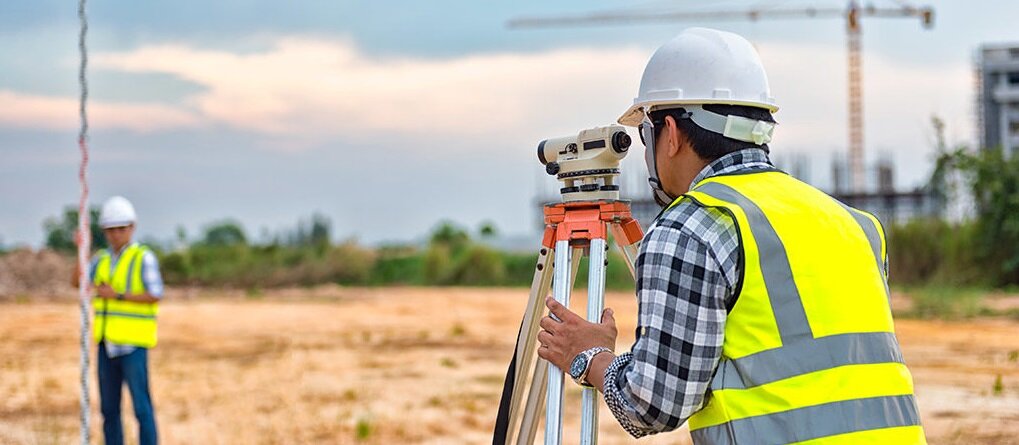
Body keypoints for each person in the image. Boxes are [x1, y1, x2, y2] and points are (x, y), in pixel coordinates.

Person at [536, 28, 926, 444]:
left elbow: (651, 406)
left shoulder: (691, 226)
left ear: (670, 133)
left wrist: (589, 357)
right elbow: (786, 365)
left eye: (646, 133)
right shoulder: (853, 223)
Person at [73, 196, 162, 445]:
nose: (115, 235)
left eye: (120, 229)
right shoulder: (99, 259)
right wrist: (80, 251)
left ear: (132, 228)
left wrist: (118, 295)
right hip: (105, 343)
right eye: (110, 230)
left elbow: (155, 294)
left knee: (141, 408)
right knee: (109, 410)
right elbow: (77, 282)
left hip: (133, 345)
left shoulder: (143, 258)